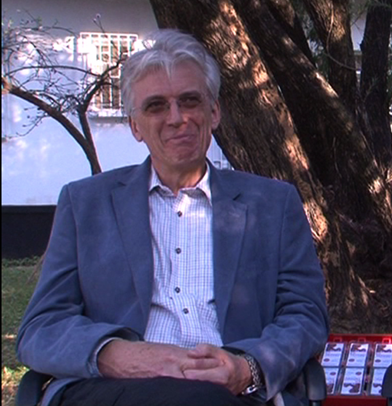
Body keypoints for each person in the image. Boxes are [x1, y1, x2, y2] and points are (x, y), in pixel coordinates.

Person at [16, 29, 329, 406]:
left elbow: (306, 315)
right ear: (135, 125)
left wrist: (246, 367)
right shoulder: (85, 204)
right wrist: (116, 354)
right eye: (156, 106)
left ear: (214, 112)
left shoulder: (273, 204)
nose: (176, 118)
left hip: (228, 392)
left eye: (189, 101)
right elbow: (40, 328)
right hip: (111, 389)